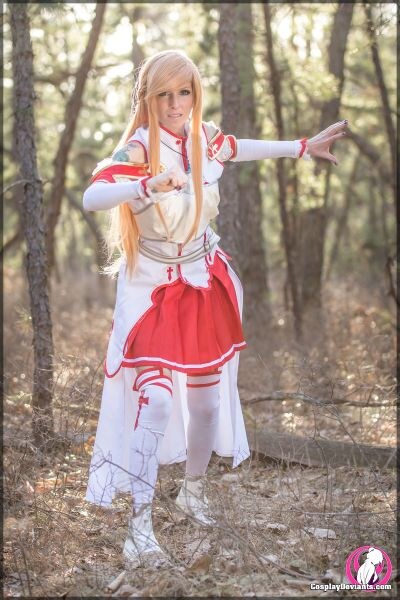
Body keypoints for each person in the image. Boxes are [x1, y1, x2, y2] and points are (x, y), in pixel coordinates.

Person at [82, 49, 347, 566]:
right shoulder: (138, 146)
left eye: (184, 92)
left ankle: (193, 490)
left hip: (203, 281)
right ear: (148, 98)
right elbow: (94, 195)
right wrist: (144, 184)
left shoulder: (203, 138)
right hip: (152, 289)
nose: (175, 104)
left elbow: (238, 147)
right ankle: (139, 527)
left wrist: (301, 147)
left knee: (205, 405)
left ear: (195, 94)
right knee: (157, 402)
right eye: (165, 94)